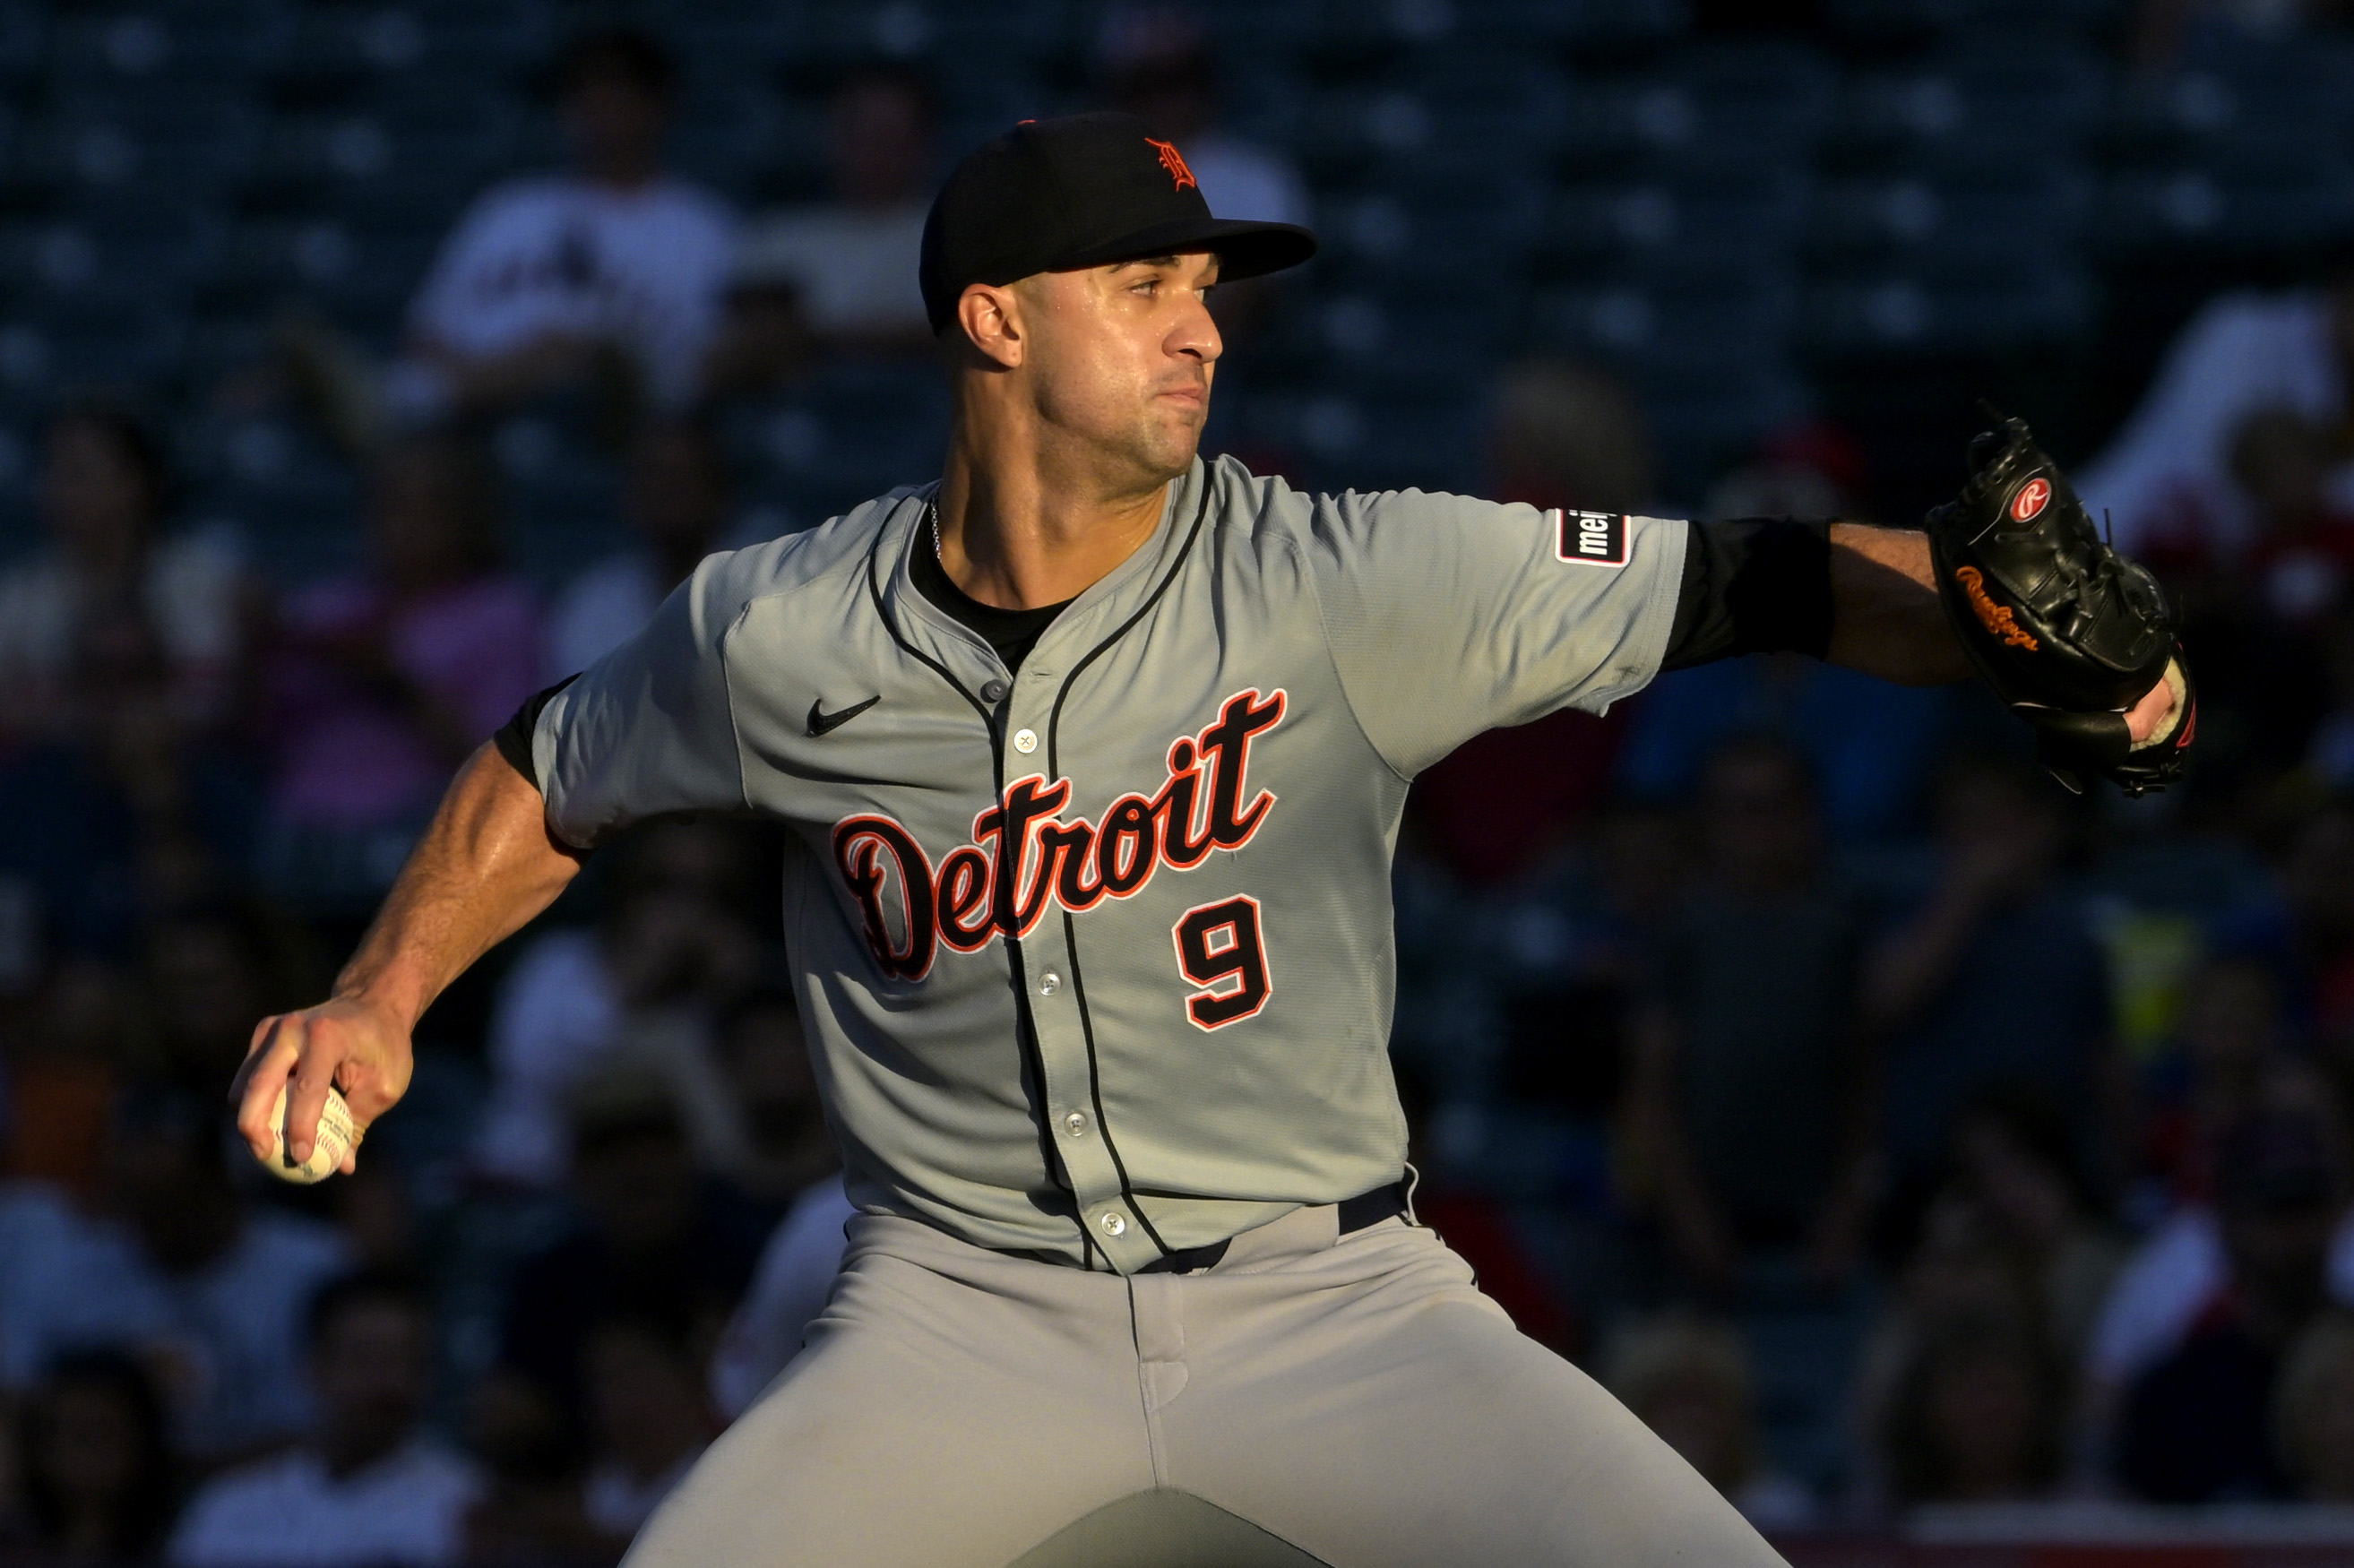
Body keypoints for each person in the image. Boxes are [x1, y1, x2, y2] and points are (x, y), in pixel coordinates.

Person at [237, 112, 2177, 1565]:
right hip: (952, 1315)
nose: (1201, 330)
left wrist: (2058, 660)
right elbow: (545, 767)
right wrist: (378, 987)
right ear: (992, 321)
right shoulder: (781, 626)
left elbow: (1761, 584)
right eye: (1144, 286)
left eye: (1205, 292)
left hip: (1331, 1301)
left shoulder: (1346, 572)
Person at [309, 30, 736, 444]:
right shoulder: (511, 207)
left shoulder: (703, 226)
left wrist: (571, 357)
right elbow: (427, 335)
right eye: (584, 91)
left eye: (617, 88)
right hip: (469, 421)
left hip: (625, 424)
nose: (599, 105)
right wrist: (504, 371)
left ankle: (384, 409)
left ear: (659, 103)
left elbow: (708, 366)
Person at [1627, 737, 1873, 1298]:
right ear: (1707, 818)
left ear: (1805, 813)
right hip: (1698, 1209)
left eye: (1773, 806)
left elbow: (1863, 1074)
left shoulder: (1837, 927)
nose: (1755, 826)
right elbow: (1653, 1080)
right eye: (1737, 807)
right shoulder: (1682, 929)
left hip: (1815, 1209)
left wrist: (1848, 1206)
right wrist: (1685, 1208)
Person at [259, 435, 542, 917]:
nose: (402, 523)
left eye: (425, 505)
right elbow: (257, 737)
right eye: (390, 504)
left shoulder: (501, 614)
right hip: (302, 829)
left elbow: (505, 771)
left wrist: (396, 683)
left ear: (466, 517)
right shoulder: (327, 606)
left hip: (421, 833)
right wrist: (254, 648)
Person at [168, 1271, 480, 1567]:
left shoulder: (466, 1503)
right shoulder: (232, 1505)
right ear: (314, 1367)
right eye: (363, 1360)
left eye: (404, 1362)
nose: (385, 1385)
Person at [0, 403, 241, 744]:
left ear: (136, 482)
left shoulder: (203, 579)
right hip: (52, 774)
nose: (54, 489)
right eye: (50, 472)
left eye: (76, 473)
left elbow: (214, 703)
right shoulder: (20, 593)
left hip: (187, 767)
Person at [723, 66, 939, 361]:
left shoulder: (958, 238)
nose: (875, 151)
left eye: (890, 136)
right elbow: (754, 339)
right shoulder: (781, 237)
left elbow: (958, 338)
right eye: (861, 134)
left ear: (924, 145)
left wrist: (815, 336)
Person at [547, 420, 739, 680]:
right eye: (656, 477)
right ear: (632, 496)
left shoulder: (760, 592)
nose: (669, 491)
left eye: (684, 478)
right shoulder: (591, 604)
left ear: (718, 493)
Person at [17, 1349, 178, 1561]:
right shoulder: (14, 1548)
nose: (89, 1454)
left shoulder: (190, 1542)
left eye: (104, 1433)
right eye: (78, 1435)